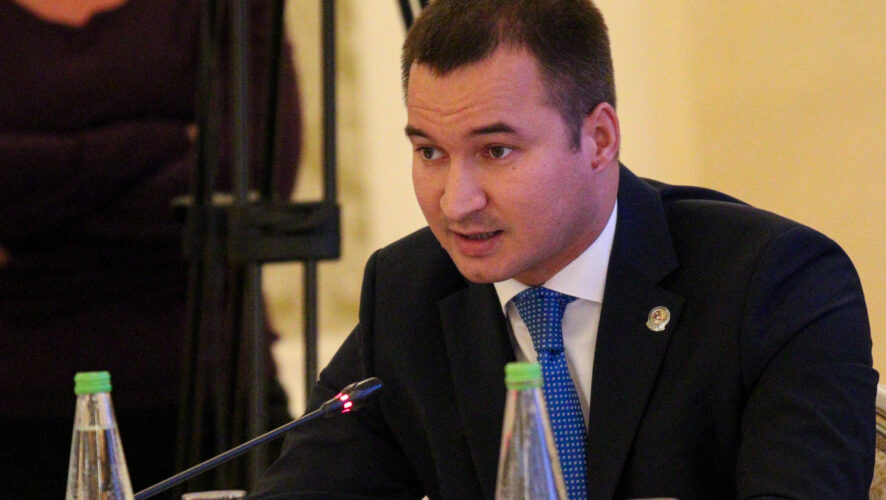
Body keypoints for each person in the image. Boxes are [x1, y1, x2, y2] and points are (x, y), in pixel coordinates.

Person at [253, 0, 876, 498]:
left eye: (496, 151)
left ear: (599, 138)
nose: (456, 202)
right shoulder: (408, 292)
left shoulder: (775, 283)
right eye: (430, 152)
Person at [0, 0, 300, 497]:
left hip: (217, 402)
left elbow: (251, 178)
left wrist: (34, 217)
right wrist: (162, 142)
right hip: (19, 407)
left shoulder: (225, 10)